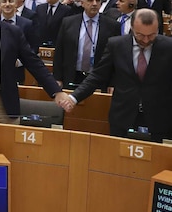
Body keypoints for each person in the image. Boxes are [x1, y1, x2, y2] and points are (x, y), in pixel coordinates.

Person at [63, 10, 172, 142]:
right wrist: (74, 97)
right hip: (123, 116)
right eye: (140, 35)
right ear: (132, 27)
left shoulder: (168, 46)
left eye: (151, 35)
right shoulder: (116, 45)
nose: (146, 40)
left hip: (159, 118)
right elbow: (97, 76)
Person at [53, 0, 118, 88]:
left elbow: (115, 57)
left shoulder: (112, 25)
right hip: (72, 75)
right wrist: (57, 78)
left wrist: (112, 83)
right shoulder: (68, 22)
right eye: (90, 0)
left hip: (99, 78)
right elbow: (59, 51)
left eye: (98, 0)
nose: (94, 3)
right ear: (82, 3)